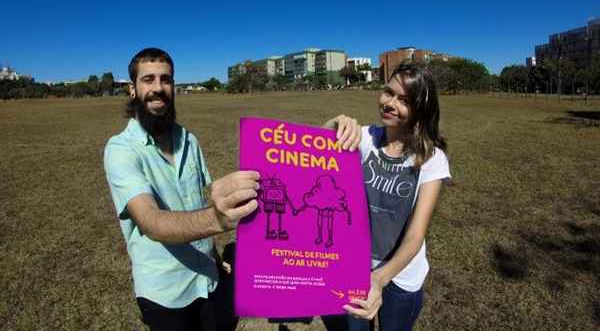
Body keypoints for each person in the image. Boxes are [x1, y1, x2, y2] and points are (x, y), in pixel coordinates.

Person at [103, 47, 360, 331]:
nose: (158, 88)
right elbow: (151, 222)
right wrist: (218, 220)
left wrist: (323, 136)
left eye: (166, 79)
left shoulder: (187, 139)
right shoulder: (121, 150)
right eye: (148, 79)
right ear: (132, 89)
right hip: (166, 294)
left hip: (210, 279)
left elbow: (205, 193)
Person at [327, 64, 451, 331]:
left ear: (421, 109)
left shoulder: (431, 158)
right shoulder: (363, 138)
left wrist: (380, 279)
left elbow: (416, 235)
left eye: (404, 100)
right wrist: (334, 123)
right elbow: (314, 149)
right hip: (354, 267)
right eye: (388, 92)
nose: (390, 103)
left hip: (402, 276)